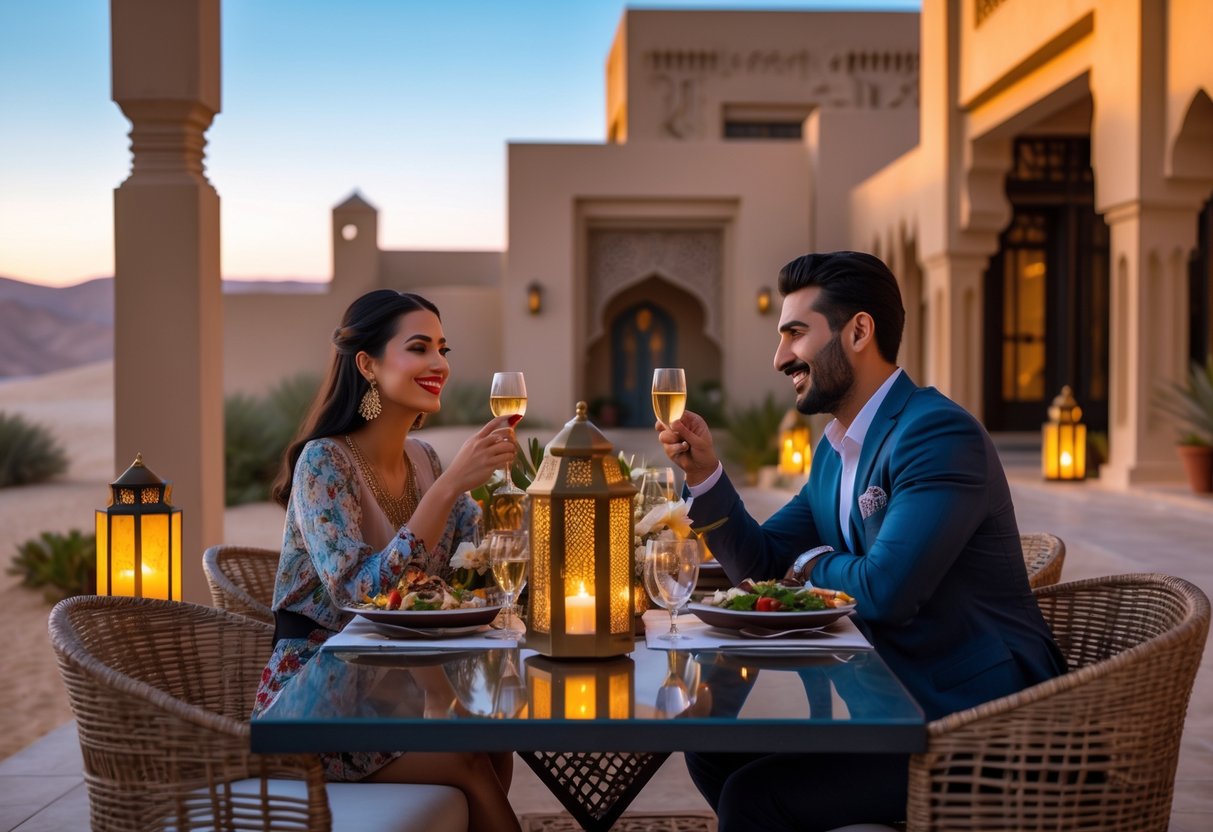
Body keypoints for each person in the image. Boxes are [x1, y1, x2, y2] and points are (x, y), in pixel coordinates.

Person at [657, 251, 1066, 831]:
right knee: (713, 747)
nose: (780, 358)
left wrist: (810, 564)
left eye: (795, 334)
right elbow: (765, 563)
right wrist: (705, 477)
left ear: (858, 331)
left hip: (976, 730)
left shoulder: (936, 432)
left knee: (755, 798)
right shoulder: (834, 450)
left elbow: (885, 590)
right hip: (890, 710)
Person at [254, 289, 521, 832]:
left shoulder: (424, 459)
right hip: (318, 699)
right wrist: (447, 490)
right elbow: (356, 592)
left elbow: (482, 566)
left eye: (443, 349)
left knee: (496, 745)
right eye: (419, 348)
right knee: (469, 760)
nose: (439, 364)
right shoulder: (324, 462)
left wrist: (518, 506)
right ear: (368, 365)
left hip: (406, 682)